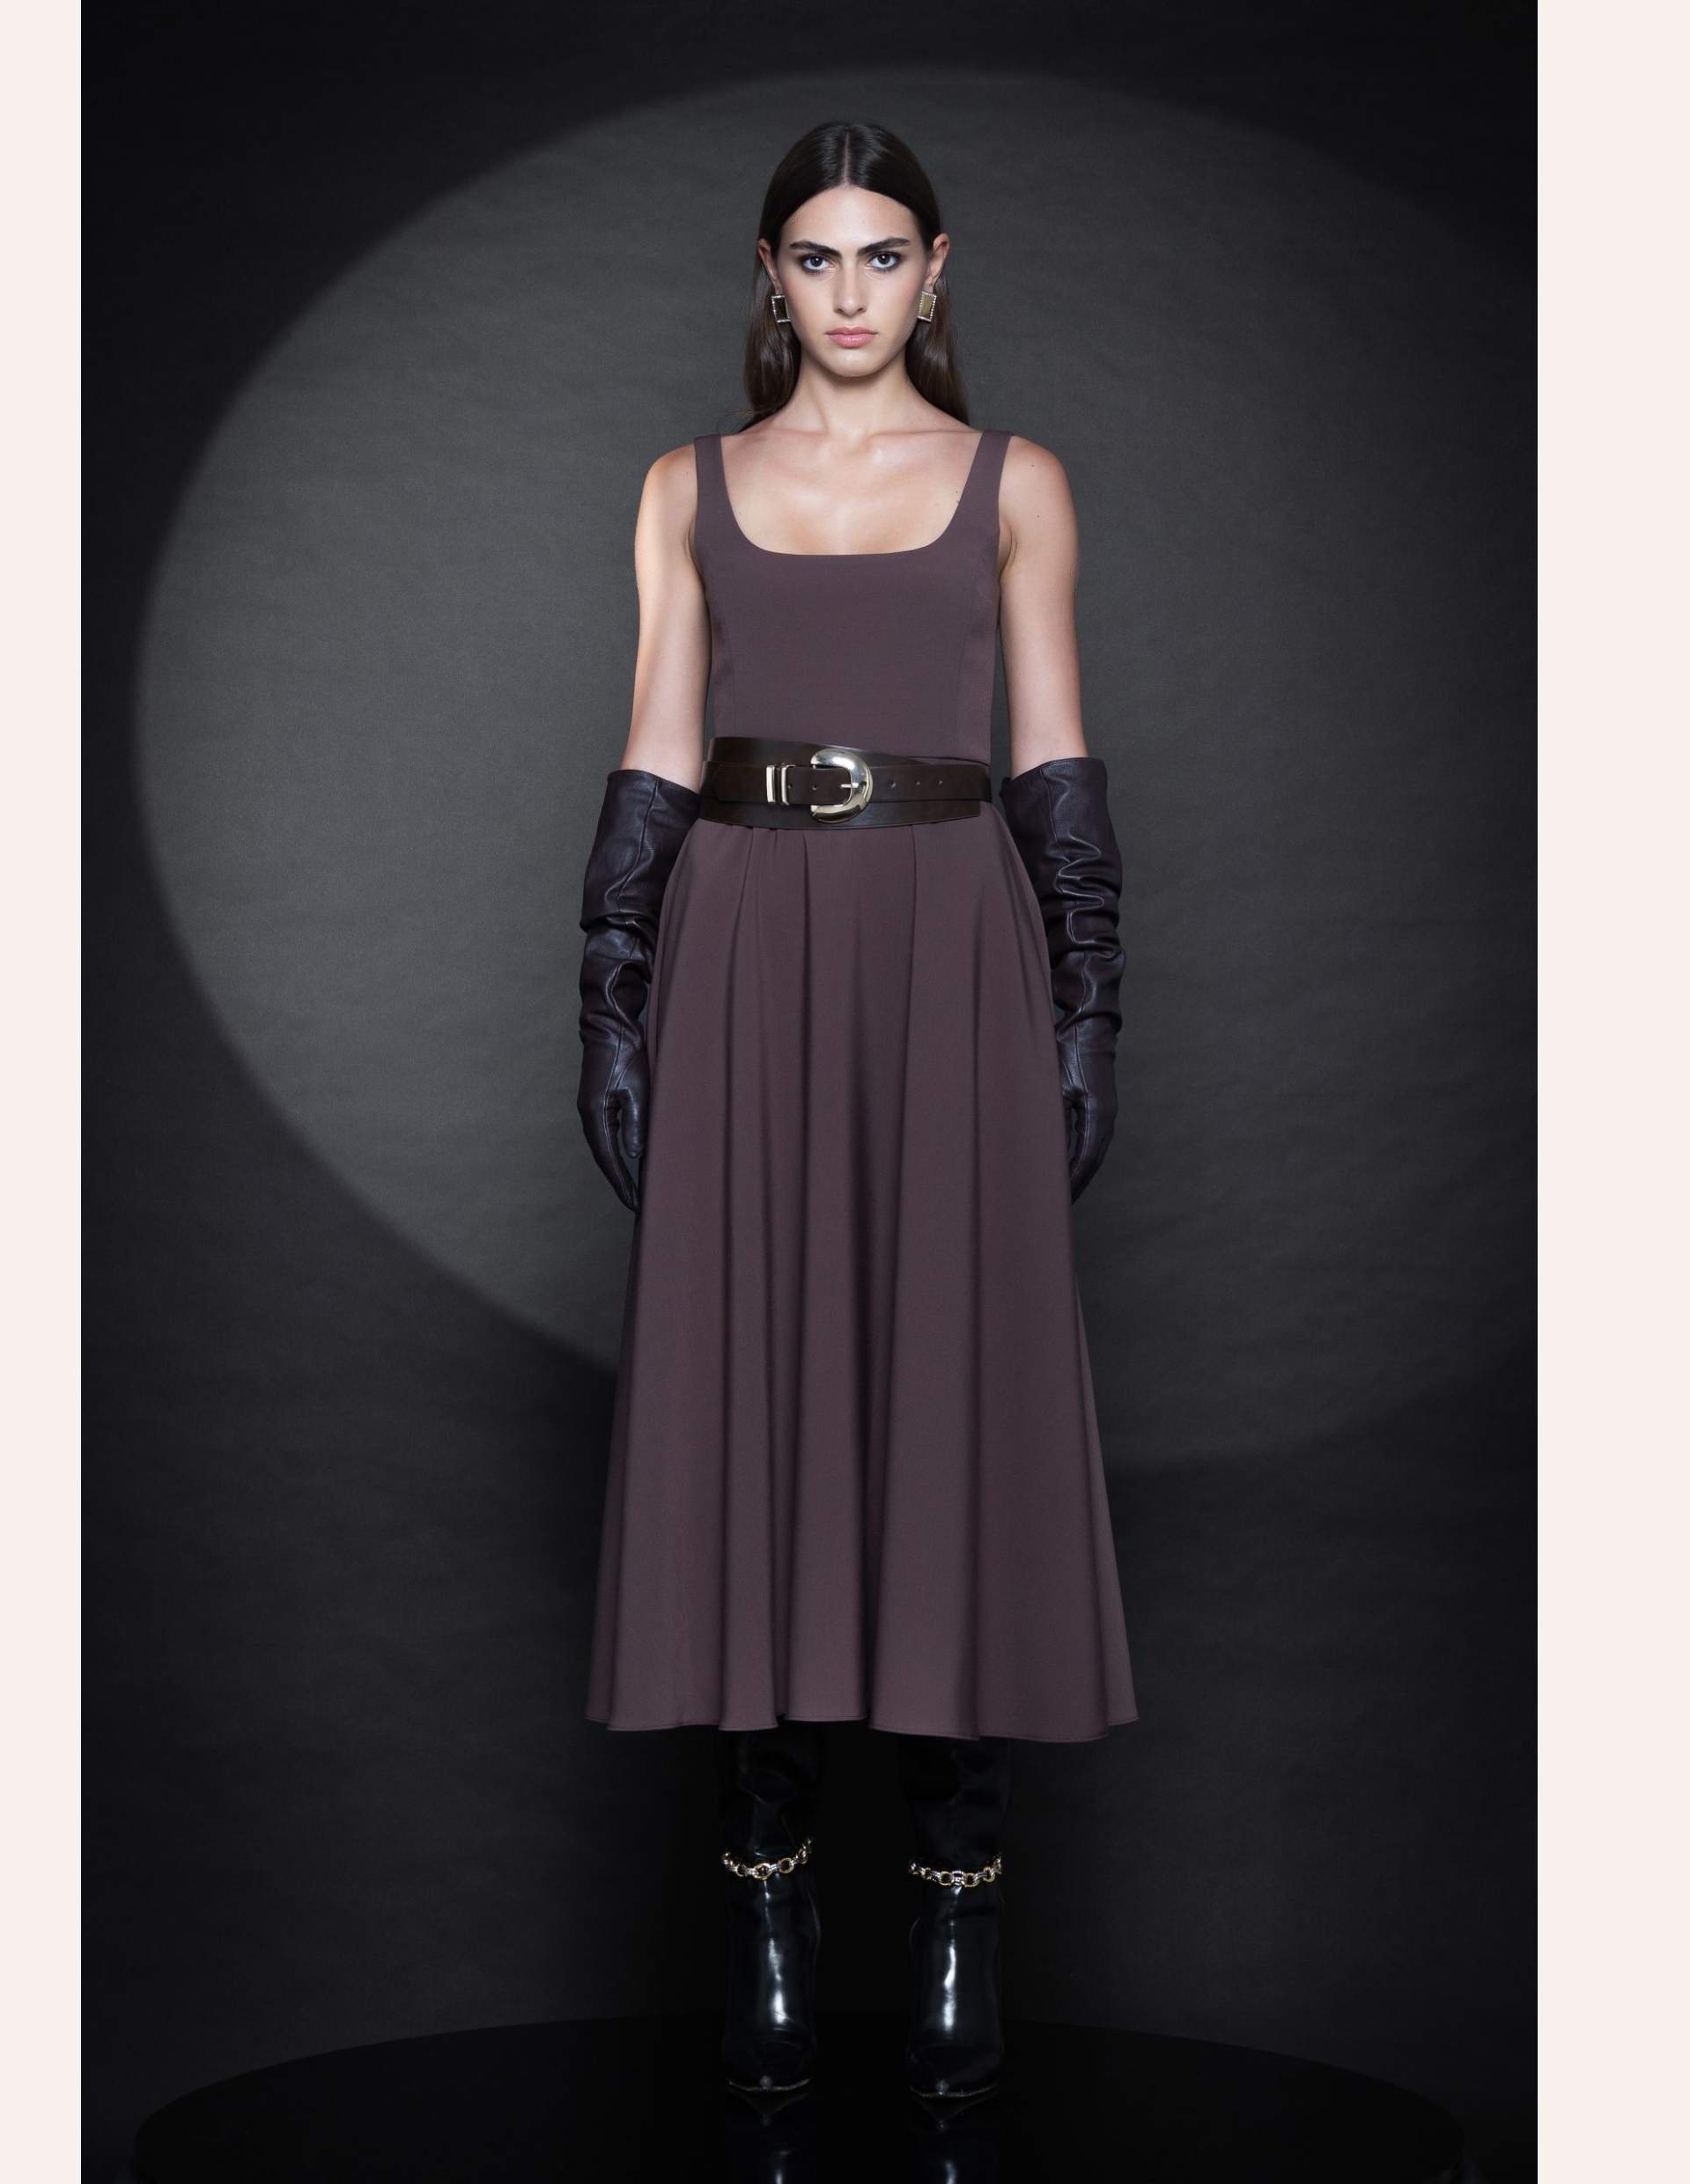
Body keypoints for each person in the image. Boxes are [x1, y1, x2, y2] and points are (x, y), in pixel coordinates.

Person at [574, 119, 1135, 2107]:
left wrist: (1087, 997)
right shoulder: (685, 485)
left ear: (935, 270)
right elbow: (658, 743)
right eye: (813, 259)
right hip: (744, 945)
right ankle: (769, 1907)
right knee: (757, 1406)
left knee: (953, 1408)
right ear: (769, 276)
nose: (848, 293)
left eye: (881, 256)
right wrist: (611, 990)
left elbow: (1051, 748)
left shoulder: (1013, 482)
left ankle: (961, 1902)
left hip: (946, 948)